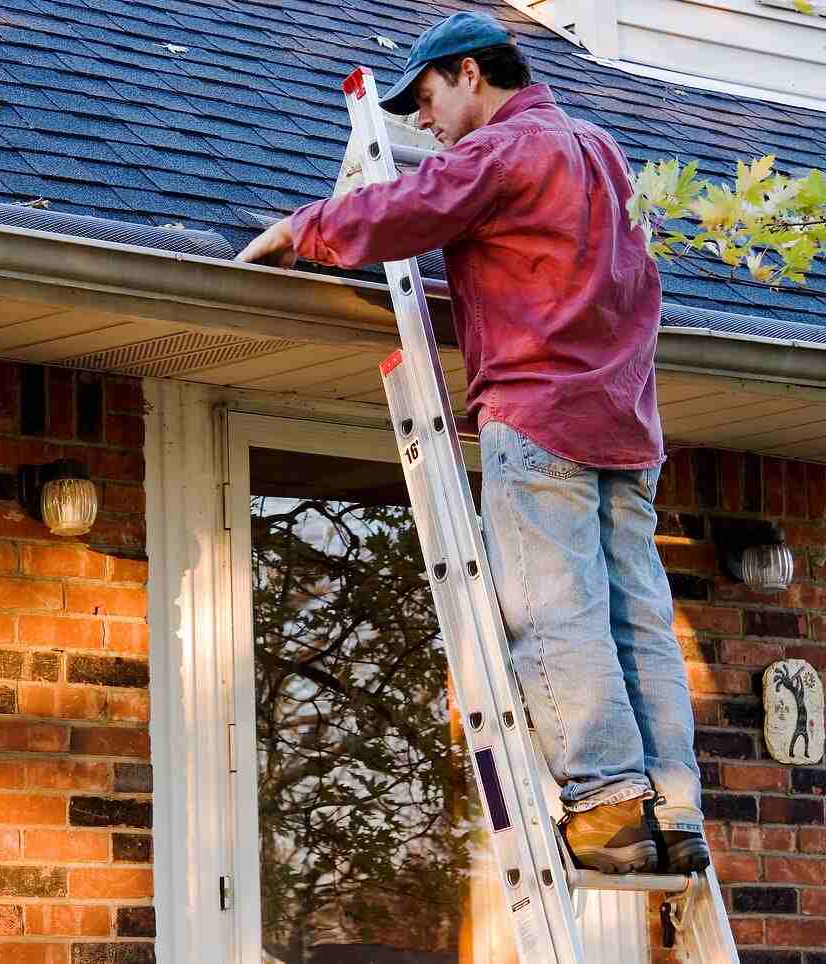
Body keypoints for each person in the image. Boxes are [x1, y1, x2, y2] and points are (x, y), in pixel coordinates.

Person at [237, 10, 708, 876]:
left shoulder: (506, 150)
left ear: (467, 74)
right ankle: (672, 809)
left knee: (555, 614)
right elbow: (633, 289)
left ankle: (606, 806)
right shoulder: (602, 151)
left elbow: (414, 205)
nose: (421, 124)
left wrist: (305, 228)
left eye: (424, 98)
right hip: (626, 427)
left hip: (541, 419)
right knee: (637, 618)